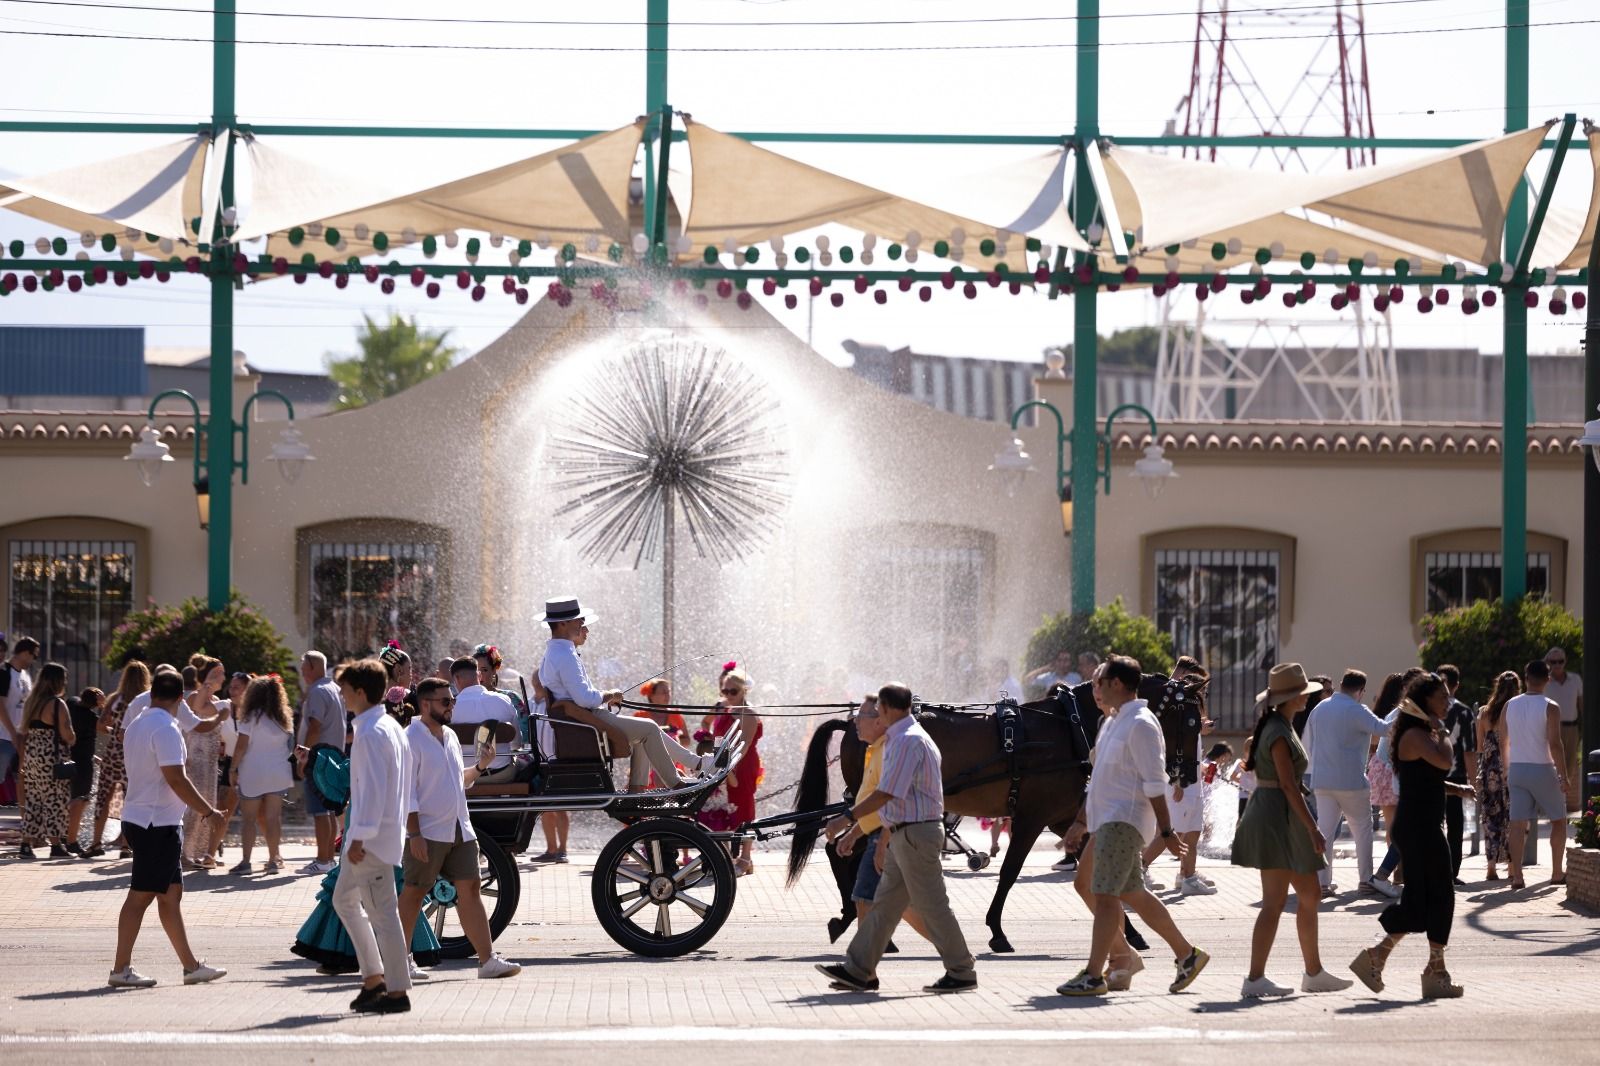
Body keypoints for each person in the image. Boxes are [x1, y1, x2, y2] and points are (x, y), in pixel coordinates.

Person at [1055, 656, 1210, 997]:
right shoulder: (1111, 722)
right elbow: (1098, 780)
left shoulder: (1141, 723)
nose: (1093, 688)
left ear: (1117, 684)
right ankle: (1186, 955)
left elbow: (1156, 782)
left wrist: (1167, 833)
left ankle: (1097, 973)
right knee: (1114, 890)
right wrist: (1080, 822)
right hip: (1106, 821)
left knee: (1107, 896)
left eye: (1099, 681)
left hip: (1124, 820)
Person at [817, 683, 977, 995]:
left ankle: (962, 970)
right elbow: (896, 801)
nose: (876, 716)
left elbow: (888, 793)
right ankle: (858, 969)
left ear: (889, 709)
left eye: (878, 711)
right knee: (884, 907)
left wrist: (846, 818)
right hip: (907, 832)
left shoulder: (906, 741)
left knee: (933, 906)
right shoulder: (906, 738)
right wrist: (877, 836)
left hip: (916, 834)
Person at [1349, 673, 1474, 999]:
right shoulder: (1416, 735)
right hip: (1418, 827)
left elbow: (1425, 779)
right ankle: (1412, 965)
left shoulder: (1420, 733)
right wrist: (1443, 731)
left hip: (1422, 823)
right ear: (1425, 701)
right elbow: (1445, 760)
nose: (1447, 702)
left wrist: (1455, 790)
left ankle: (1416, 965)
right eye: (1442, 697)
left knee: (1429, 898)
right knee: (1434, 896)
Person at [1231, 663, 1352, 997]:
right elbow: (1287, 784)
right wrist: (1313, 828)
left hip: (1279, 815)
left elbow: (1287, 785)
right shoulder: (1280, 731)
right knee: (1275, 901)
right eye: (1301, 693)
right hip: (1275, 817)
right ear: (1291, 697)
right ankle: (1255, 978)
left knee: (1310, 894)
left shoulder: (1279, 725)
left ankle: (1313, 972)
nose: (1306, 697)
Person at [395, 677, 521, 979]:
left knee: (471, 889)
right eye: (446, 701)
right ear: (426, 704)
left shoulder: (449, 735)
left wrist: (479, 767)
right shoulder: (410, 737)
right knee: (414, 892)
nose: (452, 706)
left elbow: (456, 781)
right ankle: (399, 960)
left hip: (459, 828)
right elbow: (406, 791)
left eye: (452, 700)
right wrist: (415, 834)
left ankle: (487, 960)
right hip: (427, 831)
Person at [109, 668, 226, 988]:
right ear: (179, 698)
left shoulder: (137, 724)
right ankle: (121, 969)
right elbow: (176, 777)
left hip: (148, 819)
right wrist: (209, 811)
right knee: (141, 896)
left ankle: (191, 966)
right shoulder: (166, 728)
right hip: (155, 824)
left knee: (171, 895)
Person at [537, 596, 713, 791]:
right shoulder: (564, 655)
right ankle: (678, 782)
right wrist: (610, 694)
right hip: (587, 721)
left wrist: (607, 697)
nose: (582, 624)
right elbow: (584, 698)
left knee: (644, 731)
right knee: (650, 729)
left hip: (583, 720)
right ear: (563, 623)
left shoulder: (554, 654)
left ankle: (640, 788)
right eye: (579, 620)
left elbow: (579, 697)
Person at [331, 658, 414, 1014]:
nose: (342, 694)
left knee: (382, 914)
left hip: (371, 841)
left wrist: (360, 837)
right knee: (347, 902)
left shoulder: (368, 732)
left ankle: (394, 991)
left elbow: (371, 791)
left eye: (346, 689)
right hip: (382, 836)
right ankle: (374, 980)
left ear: (360, 692)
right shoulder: (389, 726)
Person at [829, 694, 930, 949]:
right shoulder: (874, 750)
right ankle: (861, 968)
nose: (854, 723)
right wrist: (854, 834)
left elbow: (887, 799)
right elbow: (871, 799)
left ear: (877, 721)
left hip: (896, 834)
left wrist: (853, 825)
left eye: (859, 717)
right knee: (866, 898)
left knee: (896, 903)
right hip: (882, 832)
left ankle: (956, 953)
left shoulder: (890, 750)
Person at [1304, 669, 1387, 897]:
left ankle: (1322, 883)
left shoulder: (1319, 709)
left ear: (1341, 683)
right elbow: (1383, 729)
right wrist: (1403, 715)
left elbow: (1309, 744)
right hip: (1351, 782)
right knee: (1362, 829)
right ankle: (1364, 881)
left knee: (1325, 832)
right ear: (1361, 691)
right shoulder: (1357, 709)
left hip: (1322, 780)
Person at [1141, 655, 1216, 896]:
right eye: (1202, 693)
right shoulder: (1178, 714)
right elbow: (1173, 751)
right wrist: (1177, 781)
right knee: (1167, 833)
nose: (1203, 698)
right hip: (1180, 783)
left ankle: (1187, 876)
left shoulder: (1190, 717)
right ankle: (1139, 870)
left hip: (1192, 784)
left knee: (1192, 832)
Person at [1505, 658, 1568, 889]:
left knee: (1517, 825)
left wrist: (1506, 769)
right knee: (1559, 821)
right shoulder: (1550, 706)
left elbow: (1504, 740)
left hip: (1517, 769)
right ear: (1547, 679)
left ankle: (1518, 876)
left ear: (1525, 678)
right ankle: (1556, 872)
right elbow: (1555, 743)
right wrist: (1563, 776)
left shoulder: (1510, 705)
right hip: (1542, 768)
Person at [697, 669, 765, 874]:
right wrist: (708, 741)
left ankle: (745, 858)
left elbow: (743, 747)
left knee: (744, 807)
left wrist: (728, 767)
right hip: (722, 760)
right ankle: (724, 857)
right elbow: (708, 725)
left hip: (742, 765)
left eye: (732, 691)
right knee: (721, 807)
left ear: (744, 691)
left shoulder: (749, 714)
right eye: (724, 690)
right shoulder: (721, 708)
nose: (727, 695)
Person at [228, 675, 296, 873]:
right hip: (279, 772)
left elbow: (241, 747)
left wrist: (233, 769)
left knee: (249, 819)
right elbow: (290, 746)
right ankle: (274, 860)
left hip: (253, 773)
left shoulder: (250, 717)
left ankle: (246, 862)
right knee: (273, 818)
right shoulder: (285, 717)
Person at [296, 650, 346, 876]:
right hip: (333, 757)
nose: (302, 671)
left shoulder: (316, 691)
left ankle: (323, 859)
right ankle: (327, 859)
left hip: (318, 759)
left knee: (319, 812)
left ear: (314, 667)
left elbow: (315, 726)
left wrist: (304, 756)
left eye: (304, 667)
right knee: (327, 811)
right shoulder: (335, 689)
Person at [93, 661, 149, 858]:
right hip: (133, 754)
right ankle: (126, 845)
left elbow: (100, 725)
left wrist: (113, 729)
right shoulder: (144, 701)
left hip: (112, 754)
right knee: (131, 800)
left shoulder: (115, 699)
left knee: (103, 798)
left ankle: (96, 842)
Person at [20, 662, 75, 858]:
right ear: (57, 681)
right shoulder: (57, 704)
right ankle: (56, 845)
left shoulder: (31, 702)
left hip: (32, 757)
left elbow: (24, 731)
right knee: (55, 800)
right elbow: (68, 734)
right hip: (52, 759)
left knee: (34, 800)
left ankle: (26, 845)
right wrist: (72, 738)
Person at [180, 658, 228, 870]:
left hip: (209, 762)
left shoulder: (216, 699)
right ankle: (183, 853)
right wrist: (206, 682)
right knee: (193, 808)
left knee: (207, 807)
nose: (224, 678)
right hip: (195, 759)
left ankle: (197, 853)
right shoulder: (194, 696)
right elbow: (200, 707)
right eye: (221, 673)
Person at [1475, 671, 1519, 881]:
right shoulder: (1517, 711)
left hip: (1489, 770)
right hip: (1513, 767)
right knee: (1514, 817)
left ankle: (1491, 866)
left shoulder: (1484, 713)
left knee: (1491, 817)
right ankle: (1511, 866)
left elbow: (1479, 747)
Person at [451, 657, 524, 784]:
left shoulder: (450, 707)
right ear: (479, 675)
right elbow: (517, 744)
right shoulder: (503, 700)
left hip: (464, 777)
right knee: (525, 764)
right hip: (501, 774)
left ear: (456, 679)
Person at [1436, 665, 1478, 884]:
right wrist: (1474, 782)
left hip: (1431, 774)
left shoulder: (1426, 708)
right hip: (1456, 775)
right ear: (1457, 685)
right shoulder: (1464, 712)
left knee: (1433, 823)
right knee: (1455, 824)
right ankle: (1451, 872)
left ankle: (1433, 869)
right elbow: (1470, 750)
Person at [1, 636, 40, 853]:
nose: (33, 660)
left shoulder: (24, 675)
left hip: (21, 737)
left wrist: (24, 733)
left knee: (22, 784)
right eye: (33, 655)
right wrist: (13, 732)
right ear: (24, 652)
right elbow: (1, 705)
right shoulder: (4, 672)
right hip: (4, 737)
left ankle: (27, 837)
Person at [211, 672, 249, 862]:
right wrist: (208, 683)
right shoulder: (224, 706)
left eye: (236, 687)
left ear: (247, 690)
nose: (231, 690)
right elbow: (198, 707)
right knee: (223, 809)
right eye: (231, 687)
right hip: (231, 762)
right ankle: (209, 854)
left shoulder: (255, 711)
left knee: (259, 814)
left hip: (252, 764)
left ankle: (274, 856)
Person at [64, 687, 105, 855]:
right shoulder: (91, 717)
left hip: (68, 757)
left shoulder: (72, 703)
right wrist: (105, 706)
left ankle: (65, 834)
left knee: (70, 798)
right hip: (83, 764)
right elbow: (107, 728)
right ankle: (71, 841)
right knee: (79, 801)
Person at [1543, 647, 1582, 811]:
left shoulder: (1576, 679)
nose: (1557, 665)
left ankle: (1562, 800)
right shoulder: (1544, 682)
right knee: (1551, 764)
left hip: (1571, 727)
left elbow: (1581, 704)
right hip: (1551, 728)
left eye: (1560, 661)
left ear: (1565, 662)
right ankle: (1552, 802)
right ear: (1547, 663)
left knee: (1570, 765)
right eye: (1553, 662)